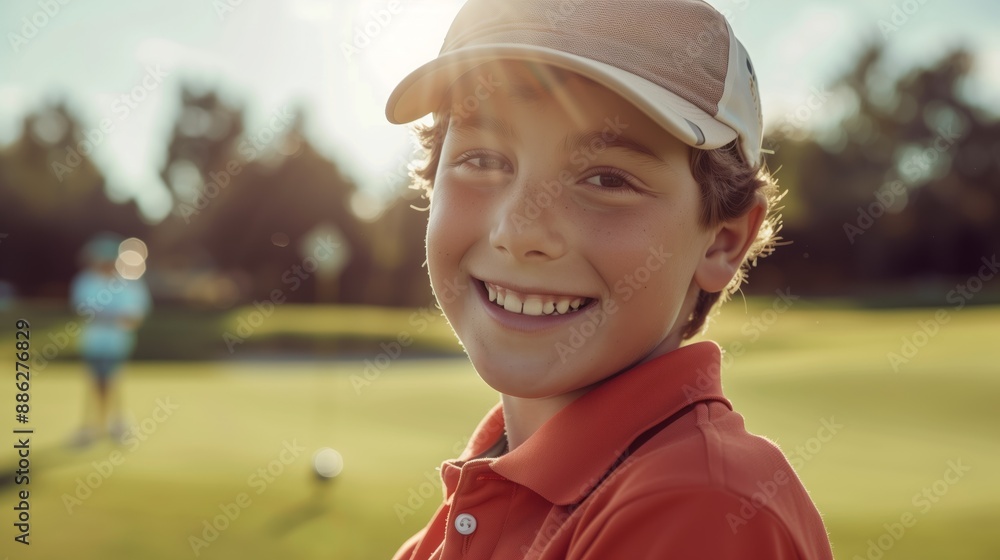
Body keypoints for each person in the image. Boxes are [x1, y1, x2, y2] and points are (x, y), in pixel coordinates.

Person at [383, 0, 834, 557]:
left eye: (606, 178)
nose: (519, 230)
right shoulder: (451, 525)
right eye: (483, 160)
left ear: (722, 241)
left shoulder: (700, 508)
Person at [69, 232, 151, 446]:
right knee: (95, 383)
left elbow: (132, 318)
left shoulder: (130, 284)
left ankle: (113, 424)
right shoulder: (86, 281)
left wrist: (105, 316)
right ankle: (95, 426)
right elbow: (85, 312)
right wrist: (114, 316)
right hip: (93, 343)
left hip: (117, 344)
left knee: (111, 382)